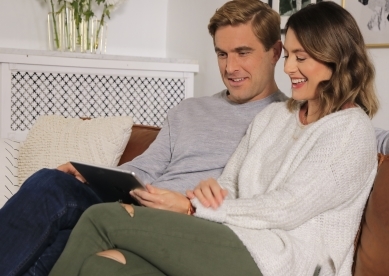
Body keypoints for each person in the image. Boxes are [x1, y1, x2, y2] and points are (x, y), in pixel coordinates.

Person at [0, 1, 387, 275]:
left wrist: (191, 206)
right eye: (221, 54)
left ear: (334, 58)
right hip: (194, 219)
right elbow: (228, 182)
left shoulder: (348, 129)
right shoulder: (274, 117)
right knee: (86, 240)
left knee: (99, 220)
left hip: (278, 256)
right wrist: (95, 173)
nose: (289, 67)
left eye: (300, 58)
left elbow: (288, 205)